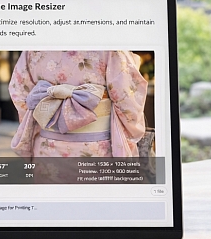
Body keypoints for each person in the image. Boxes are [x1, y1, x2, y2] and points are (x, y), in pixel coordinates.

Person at [9, 50, 147, 158]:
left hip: (46, 149)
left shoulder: (33, 49)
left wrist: (44, 118)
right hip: (97, 150)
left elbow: (20, 94)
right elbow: (128, 99)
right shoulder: (109, 46)